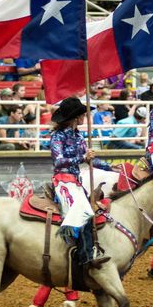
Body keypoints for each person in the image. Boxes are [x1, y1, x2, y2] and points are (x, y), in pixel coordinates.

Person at [50, 97, 117, 266]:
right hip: (63, 181)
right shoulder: (57, 136)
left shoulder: (78, 136)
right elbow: (59, 161)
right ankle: (85, 256)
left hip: (75, 181)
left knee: (93, 210)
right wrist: (82, 157)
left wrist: (111, 168)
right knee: (85, 212)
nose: (85, 117)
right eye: (82, 115)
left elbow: (90, 159)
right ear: (75, 117)